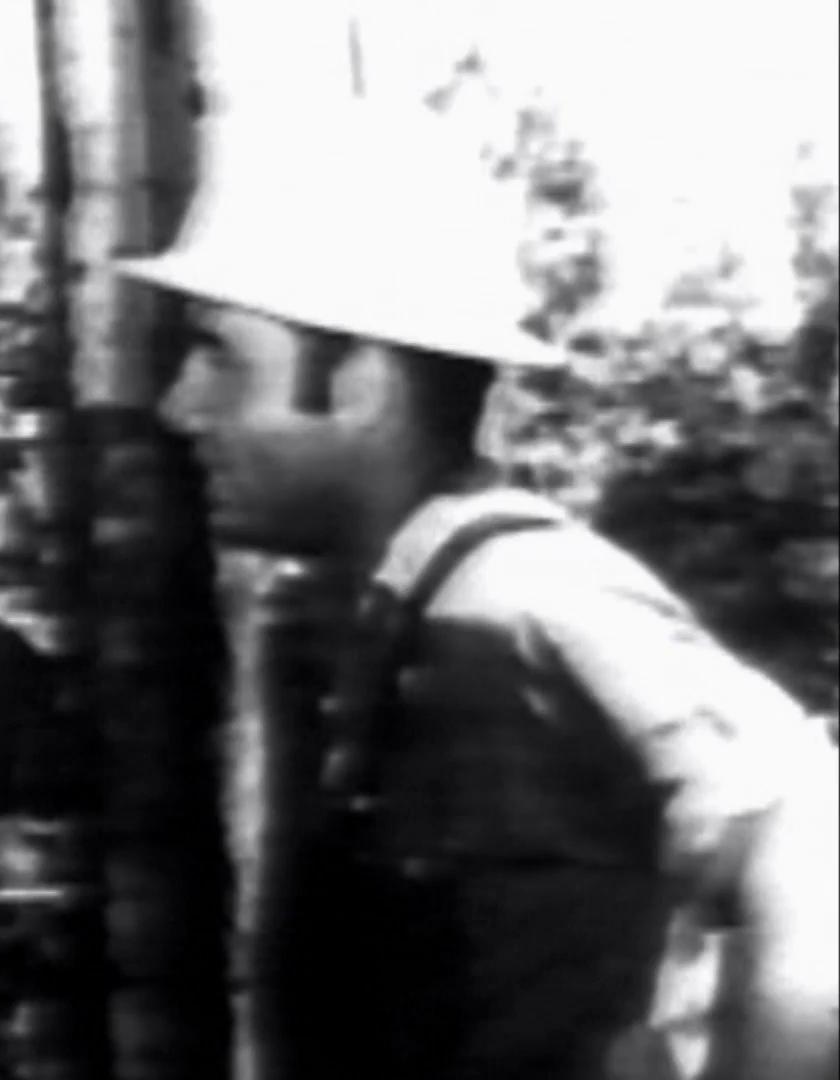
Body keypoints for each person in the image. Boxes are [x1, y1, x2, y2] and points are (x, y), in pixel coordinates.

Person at [119, 103, 840, 1080]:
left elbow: (811, 833)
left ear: (358, 382)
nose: (180, 406)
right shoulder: (404, 621)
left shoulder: (518, 600)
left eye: (222, 357)